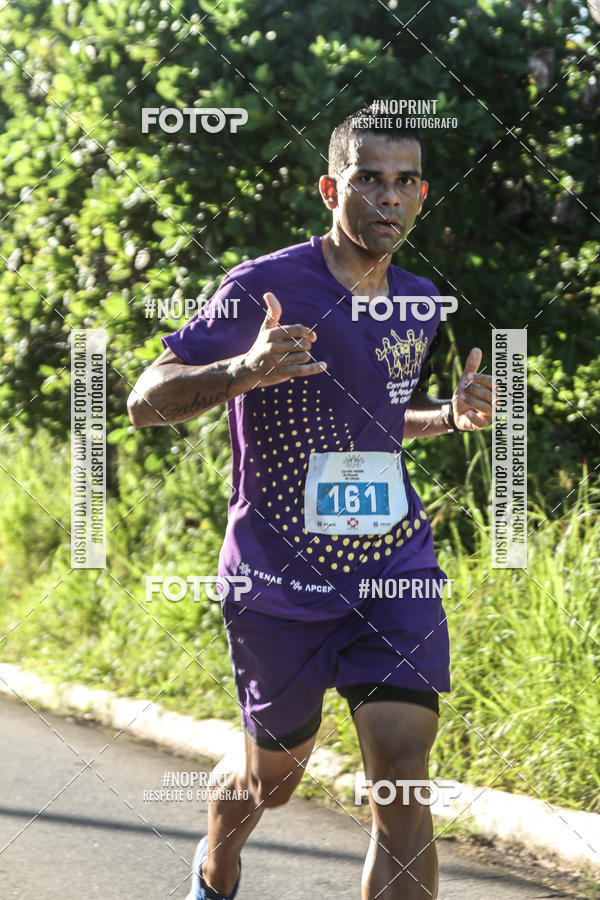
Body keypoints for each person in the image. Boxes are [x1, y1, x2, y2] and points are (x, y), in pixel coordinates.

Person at [128, 105, 493, 900]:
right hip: (279, 583)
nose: (388, 198)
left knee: (401, 774)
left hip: (391, 572)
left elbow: (373, 419)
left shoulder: (421, 300)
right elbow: (143, 400)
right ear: (333, 186)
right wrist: (241, 372)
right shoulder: (263, 286)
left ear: (422, 196)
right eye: (369, 179)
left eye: (404, 183)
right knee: (275, 778)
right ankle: (215, 863)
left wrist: (449, 416)